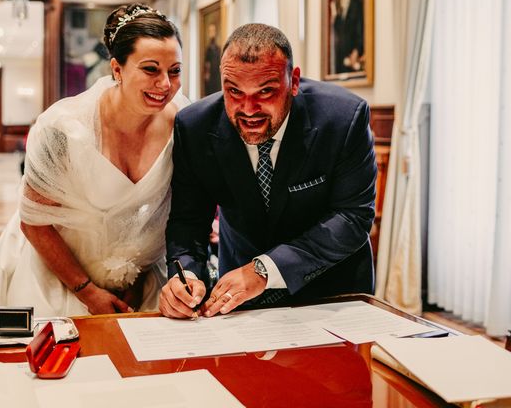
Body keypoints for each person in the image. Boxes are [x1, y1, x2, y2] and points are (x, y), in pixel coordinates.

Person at [0, 3, 187, 325]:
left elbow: (178, 209)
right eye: (151, 70)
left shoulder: (184, 125)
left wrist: (141, 275)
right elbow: (34, 222)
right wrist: (87, 291)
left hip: (141, 278)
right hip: (57, 273)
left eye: (174, 71)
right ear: (117, 70)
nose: (165, 85)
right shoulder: (63, 129)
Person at [159, 23, 377, 319]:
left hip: (332, 294)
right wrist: (185, 277)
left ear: (294, 81)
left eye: (266, 91)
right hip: (238, 299)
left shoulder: (342, 119)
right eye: (234, 91)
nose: (248, 109)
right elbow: (188, 221)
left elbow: (352, 218)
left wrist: (264, 270)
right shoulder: (195, 127)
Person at [330, 0, 364, 74]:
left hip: (352, 56)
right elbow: (338, 30)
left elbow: (360, 32)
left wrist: (356, 52)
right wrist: (334, 17)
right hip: (340, 55)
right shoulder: (339, 2)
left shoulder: (357, 4)